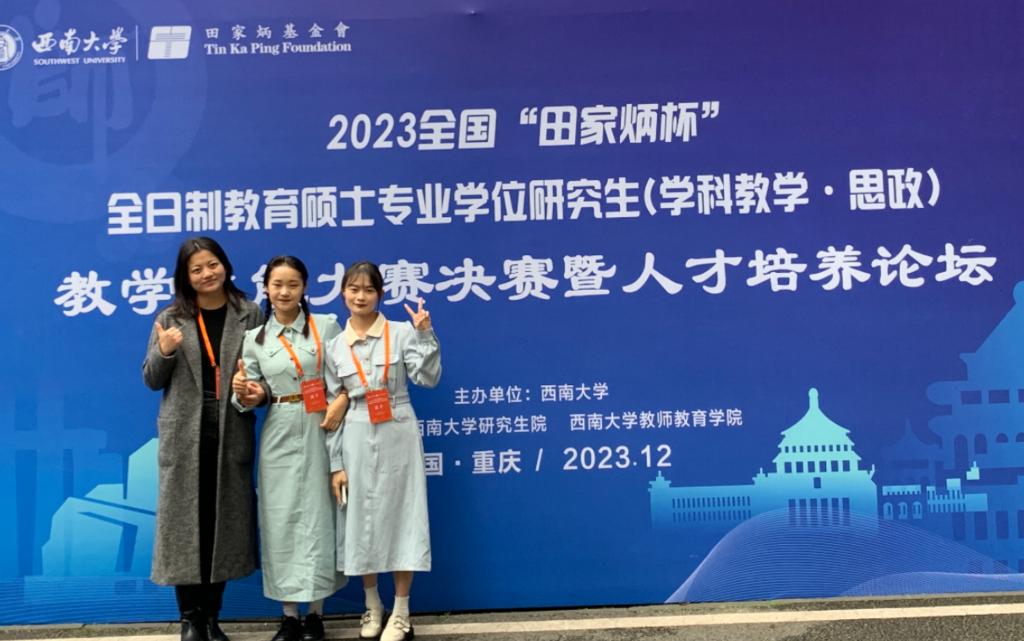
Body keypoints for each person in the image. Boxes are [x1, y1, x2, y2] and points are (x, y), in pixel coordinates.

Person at [142, 237, 263, 641]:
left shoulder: (249, 313)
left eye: (212, 265)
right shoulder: (171, 317)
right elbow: (151, 378)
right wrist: (164, 351)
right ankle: (189, 619)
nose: (207, 274)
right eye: (197, 269)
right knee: (186, 526)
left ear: (225, 265)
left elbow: (265, 371)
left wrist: (258, 392)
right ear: (185, 277)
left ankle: (212, 618)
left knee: (222, 524)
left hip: (230, 427)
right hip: (185, 433)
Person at [231, 256, 349, 641]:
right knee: (280, 520)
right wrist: (247, 394)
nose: (284, 292)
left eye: (292, 284)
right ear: (266, 288)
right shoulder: (256, 338)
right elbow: (250, 393)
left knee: (320, 517)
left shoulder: (326, 326)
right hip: (279, 430)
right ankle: (288, 616)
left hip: (322, 427)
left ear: (304, 288)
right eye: (277, 284)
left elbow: (347, 375)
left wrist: (342, 400)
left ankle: (316, 614)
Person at [324, 261, 441, 641]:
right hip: (355, 432)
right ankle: (372, 605)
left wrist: (425, 334)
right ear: (343, 292)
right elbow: (332, 410)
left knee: (403, 516)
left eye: (368, 290)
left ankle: (402, 611)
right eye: (353, 289)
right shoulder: (335, 346)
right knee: (361, 520)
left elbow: (428, 378)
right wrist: (336, 463)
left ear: (380, 294)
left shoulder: (402, 331)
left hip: (397, 428)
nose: (360, 297)